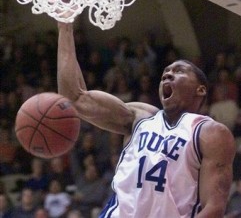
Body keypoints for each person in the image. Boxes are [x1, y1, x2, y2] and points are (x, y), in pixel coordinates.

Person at [57, 22, 236, 217]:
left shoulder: (211, 133)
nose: (167, 74)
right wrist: (65, 28)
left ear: (200, 89)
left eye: (178, 71)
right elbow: (74, 98)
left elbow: (214, 208)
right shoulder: (139, 116)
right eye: (165, 73)